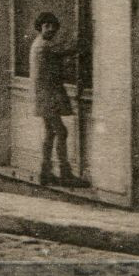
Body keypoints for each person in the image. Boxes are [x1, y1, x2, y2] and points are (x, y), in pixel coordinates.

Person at [29, 12, 89, 187]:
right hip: (48, 96)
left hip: (44, 95)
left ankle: (45, 172)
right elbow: (69, 49)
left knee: (50, 132)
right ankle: (65, 173)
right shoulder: (44, 46)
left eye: (53, 26)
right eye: (46, 26)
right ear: (40, 27)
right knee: (61, 131)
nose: (51, 29)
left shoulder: (39, 44)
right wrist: (84, 38)